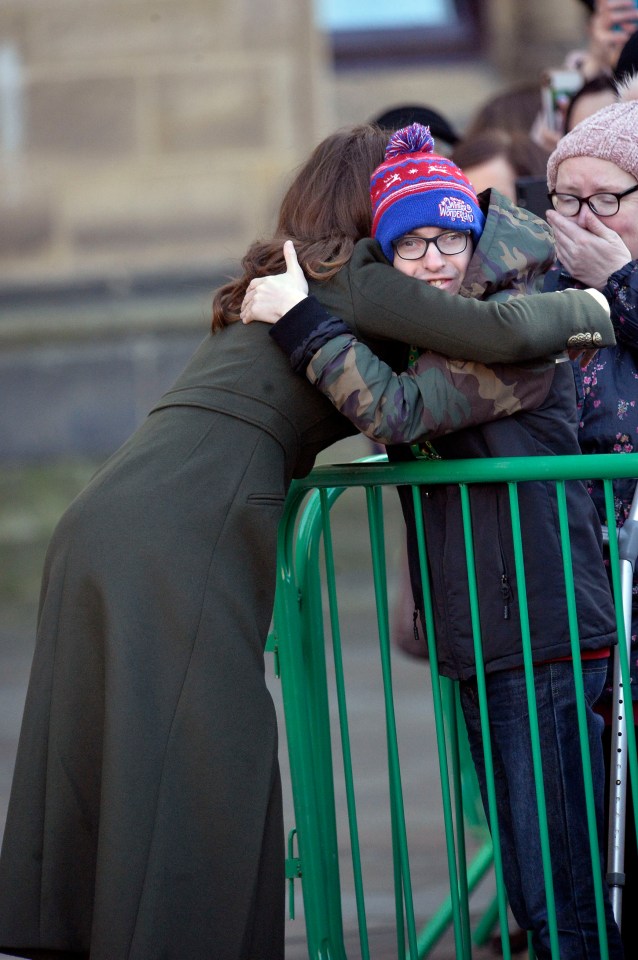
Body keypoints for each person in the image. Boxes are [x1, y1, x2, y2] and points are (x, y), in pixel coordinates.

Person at [0, 125, 613, 960]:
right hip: (185, 522)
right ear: (371, 210)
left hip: (119, 512)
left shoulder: (299, 275)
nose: (425, 252)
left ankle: (76, 934)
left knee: (121, 746)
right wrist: (600, 305)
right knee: (211, 757)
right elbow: (501, 336)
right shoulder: (347, 274)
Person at [242, 123, 624, 959]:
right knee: (535, 891)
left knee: (564, 896)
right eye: (410, 244)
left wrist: (306, 322)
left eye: (449, 236)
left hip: (548, 635)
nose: (436, 261)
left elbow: (396, 411)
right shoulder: (442, 332)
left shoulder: (517, 330)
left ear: (474, 234)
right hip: (488, 641)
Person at [546, 72, 638, 956]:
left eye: (605, 198)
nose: (581, 219)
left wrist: (626, 281)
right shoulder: (543, 287)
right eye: (565, 199)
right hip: (576, 610)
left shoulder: (620, 279)